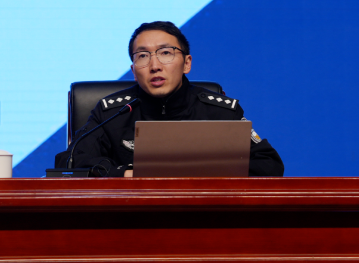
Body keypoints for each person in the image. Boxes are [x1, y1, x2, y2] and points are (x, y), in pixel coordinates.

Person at [54, 21, 284, 177]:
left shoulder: (220, 111)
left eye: (165, 53)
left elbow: (269, 164)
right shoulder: (112, 112)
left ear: (187, 64)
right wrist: (122, 173)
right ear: (133, 71)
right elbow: (68, 161)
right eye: (143, 56)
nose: (154, 65)